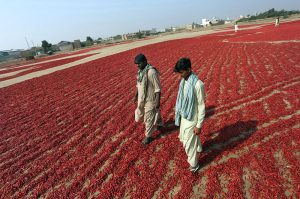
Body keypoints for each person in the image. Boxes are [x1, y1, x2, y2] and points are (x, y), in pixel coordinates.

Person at [174, 58, 205, 172]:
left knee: (188, 144)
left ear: (189, 69)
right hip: (184, 116)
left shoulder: (198, 85)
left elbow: (201, 106)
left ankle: (194, 165)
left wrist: (199, 125)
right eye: (179, 72)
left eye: (181, 72)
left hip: (192, 118)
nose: (180, 75)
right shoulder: (184, 81)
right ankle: (199, 147)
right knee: (185, 138)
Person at [133, 54, 164, 145]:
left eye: (138, 63)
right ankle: (160, 123)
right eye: (136, 64)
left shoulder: (151, 72)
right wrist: (135, 95)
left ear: (144, 62)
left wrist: (157, 101)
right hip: (142, 99)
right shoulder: (140, 72)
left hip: (150, 99)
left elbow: (158, 88)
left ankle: (148, 136)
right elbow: (138, 85)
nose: (137, 66)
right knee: (139, 115)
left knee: (148, 118)